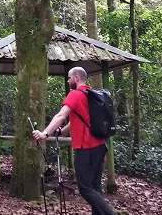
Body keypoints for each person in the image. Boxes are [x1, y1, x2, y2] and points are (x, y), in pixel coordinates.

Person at [32, 67, 118, 215]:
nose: (68, 80)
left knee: (85, 188)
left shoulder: (75, 94)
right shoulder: (90, 95)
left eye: (69, 77)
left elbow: (61, 116)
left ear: (76, 78)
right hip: (100, 146)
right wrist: (62, 131)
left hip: (86, 148)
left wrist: (45, 133)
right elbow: (79, 119)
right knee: (95, 187)